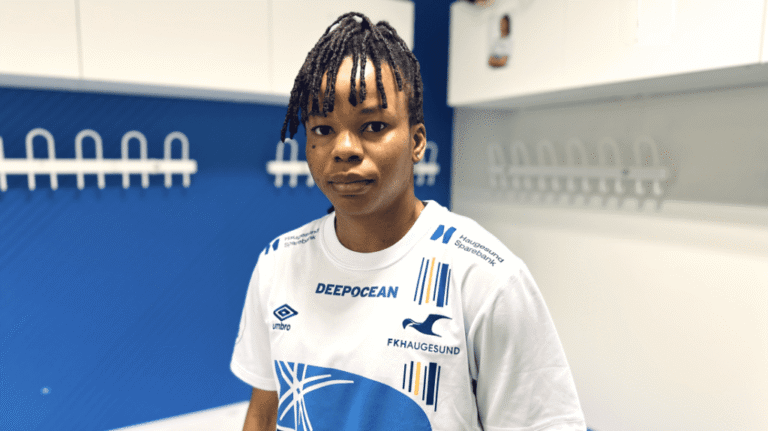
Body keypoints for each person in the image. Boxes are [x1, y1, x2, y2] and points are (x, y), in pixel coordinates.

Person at [231, 12, 586, 431]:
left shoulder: (487, 279)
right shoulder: (278, 262)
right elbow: (263, 413)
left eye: (373, 126)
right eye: (323, 129)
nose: (344, 148)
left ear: (416, 141)